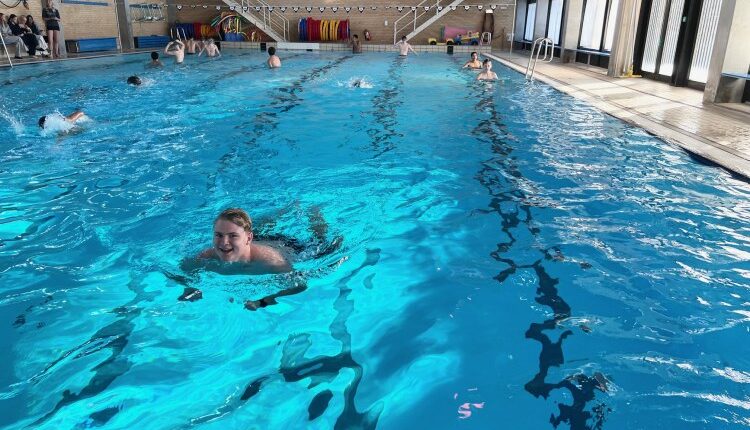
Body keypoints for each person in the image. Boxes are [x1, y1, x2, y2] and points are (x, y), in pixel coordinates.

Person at [195, 208, 292, 274]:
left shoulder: (272, 262)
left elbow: (299, 286)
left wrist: (262, 302)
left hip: (286, 244)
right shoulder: (207, 256)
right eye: (219, 235)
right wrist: (191, 289)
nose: (224, 242)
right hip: (248, 241)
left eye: (232, 235)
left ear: (249, 238)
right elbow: (183, 273)